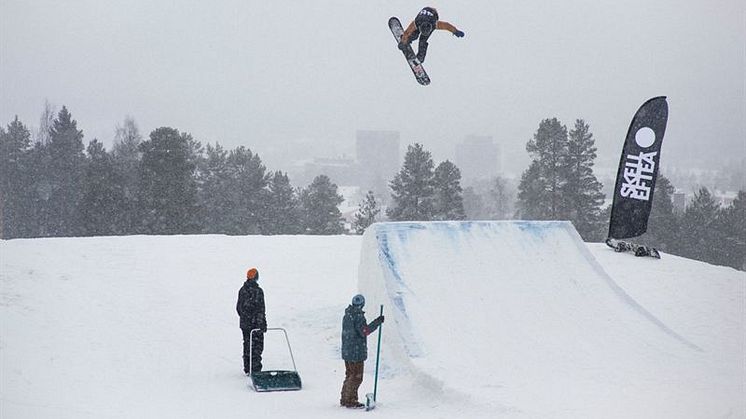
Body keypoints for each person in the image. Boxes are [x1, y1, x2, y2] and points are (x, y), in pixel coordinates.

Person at [339, 294, 384, 408]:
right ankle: (351, 400)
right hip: (356, 352)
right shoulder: (358, 316)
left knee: (349, 375)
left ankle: (345, 398)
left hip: (347, 351)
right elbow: (364, 331)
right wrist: (377, 322)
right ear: (362, 304)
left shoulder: (347, 315)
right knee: (356, 377)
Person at [398, 7, 465, 63]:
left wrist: (456, 31)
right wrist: (403, 42)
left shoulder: (434, 24)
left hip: (433, 14)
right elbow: (407, 32)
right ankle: (408, 39)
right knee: (414, 35)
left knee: (422, 40)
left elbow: (447, 25)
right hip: (423, 18)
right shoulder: (416, 23)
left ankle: (420, 57)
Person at [236, 267, 267, 375]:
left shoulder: (242, 290)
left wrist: (245, 318)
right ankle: (255, 369)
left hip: (245, 324)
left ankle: (248, 367)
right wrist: (261, 322)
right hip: (255, 324)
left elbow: (239, 308)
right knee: (257, 345)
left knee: (247, 344)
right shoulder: (258, 291)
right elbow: (261, 309)